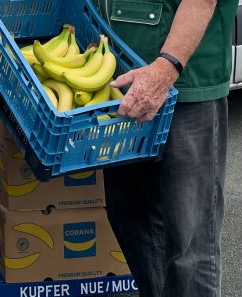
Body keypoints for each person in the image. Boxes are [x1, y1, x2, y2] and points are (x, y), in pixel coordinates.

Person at [96, 0, 235, 296]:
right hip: (121, 90)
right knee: (133, 223)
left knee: (189, 244)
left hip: (184, 90)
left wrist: (165, 68)